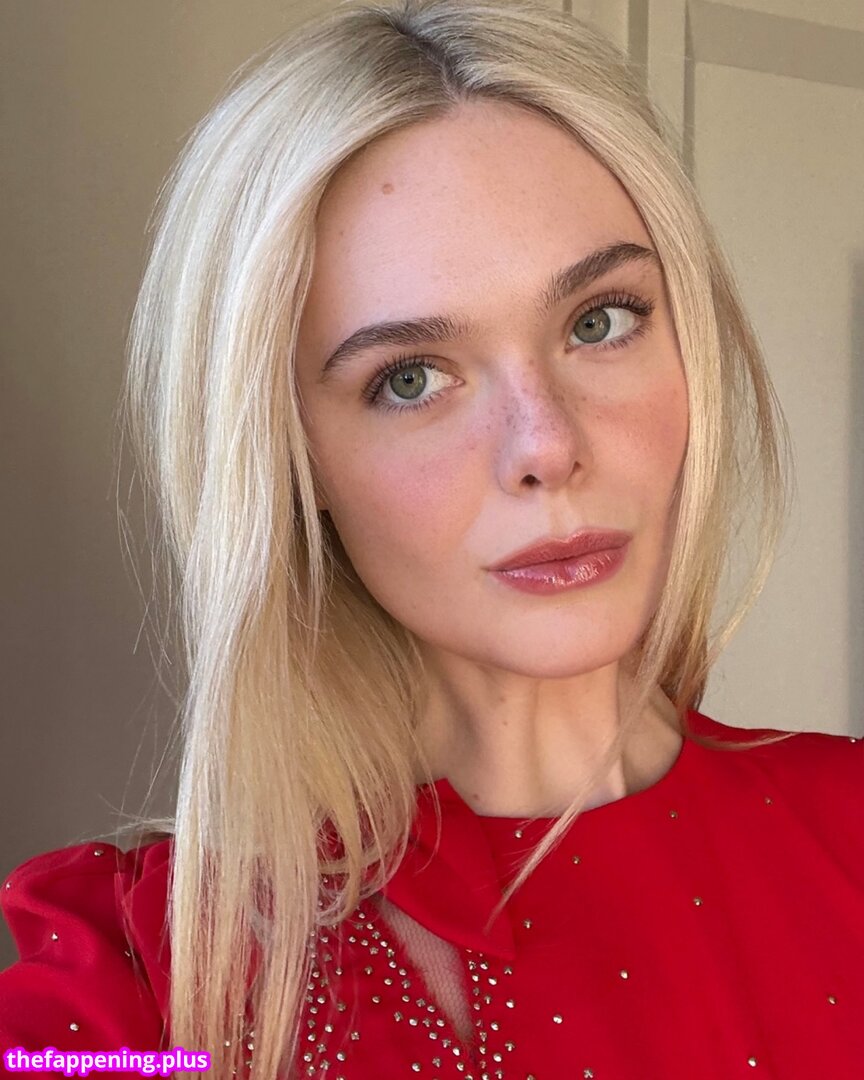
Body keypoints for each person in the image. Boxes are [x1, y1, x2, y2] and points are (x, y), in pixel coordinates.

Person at [1, 0, 862, 1077]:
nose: (546, 446)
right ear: (291, 456)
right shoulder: (151, 985)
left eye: (599, 321)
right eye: (409, 379)